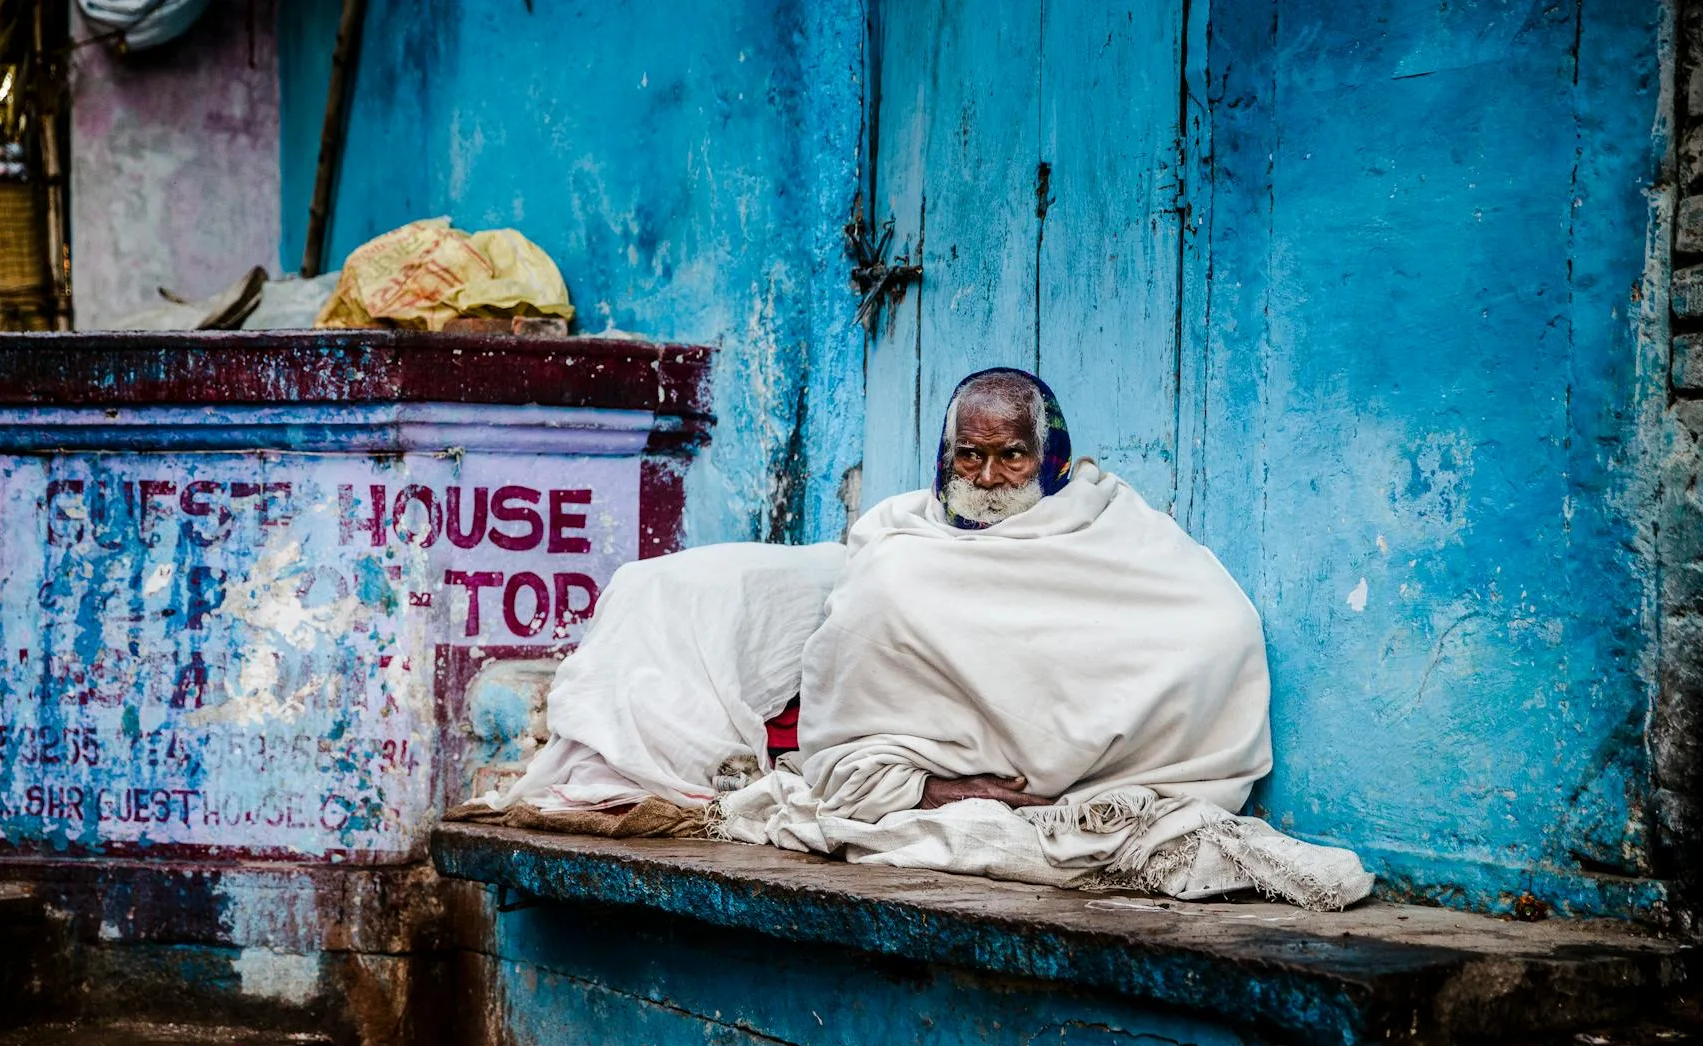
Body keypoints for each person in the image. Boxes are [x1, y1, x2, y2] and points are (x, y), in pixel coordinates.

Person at [464, 367, 1371, 909]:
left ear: (1051, 456)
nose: (988, 476)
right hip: (933, 734)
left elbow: (1211, 623)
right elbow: (860, 678)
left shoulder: (1105, 519)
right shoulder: (908, 543)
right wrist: (931, 786)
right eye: (968, 455)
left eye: (1011, 455)